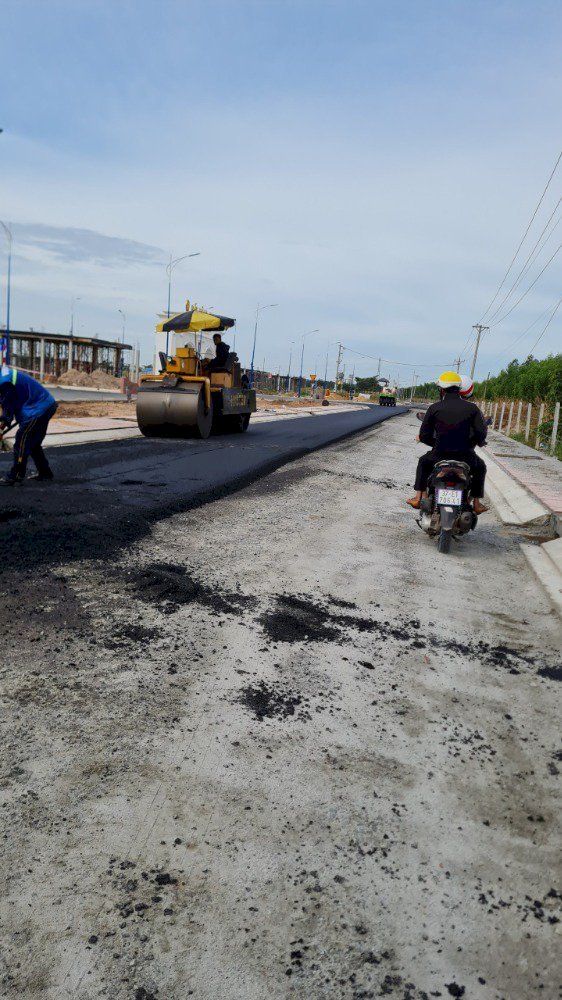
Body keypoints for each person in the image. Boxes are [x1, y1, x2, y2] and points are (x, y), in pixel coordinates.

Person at [407, 371, 489, 514]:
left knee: (423, 462)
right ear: (459, 388)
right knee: (480, 467)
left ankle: (419, 497)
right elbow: (481, 433)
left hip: (439, 455)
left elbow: (424, 435)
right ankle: (476, 503)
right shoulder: (472, 408)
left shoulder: (434, 408)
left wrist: (438, 443)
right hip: (466, 457)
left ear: (442, 389)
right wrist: (469, 444)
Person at [0, 366, 58, 485]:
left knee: (22, 440)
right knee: (33, 443)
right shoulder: (3, 374)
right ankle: (45, 472)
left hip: (37, 409)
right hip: (46, 404)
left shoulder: (4, 382)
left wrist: (3, 425)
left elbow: (8, 407)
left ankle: (16, 475)